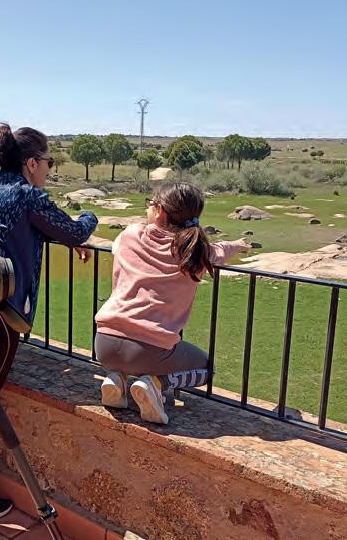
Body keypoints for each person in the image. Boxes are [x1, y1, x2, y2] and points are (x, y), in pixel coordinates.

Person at [0, 123, 98, 523]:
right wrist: (90, 216)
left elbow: (19, 228)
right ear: (31, 163)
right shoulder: (29, 195)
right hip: (0, 313)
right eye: (48, 162)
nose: (48, 168)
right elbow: (74, 229)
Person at [94, 182, 249, 425]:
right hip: (149, 350)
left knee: (127, 359)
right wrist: (237, 246)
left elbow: (119, 249)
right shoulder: (194, 252)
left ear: (159, 211)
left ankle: (117, 380)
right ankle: (156, 384)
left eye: (150, 204)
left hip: (104, 344)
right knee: (206, 369)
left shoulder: (131, 234)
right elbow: (219, 251)